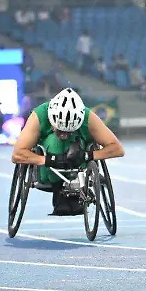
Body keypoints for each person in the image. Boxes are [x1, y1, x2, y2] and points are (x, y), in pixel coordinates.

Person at [11, 88, 124, 216]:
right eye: (60, 130)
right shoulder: (39, 115)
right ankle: (58, 192)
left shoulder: (88, 117)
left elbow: (117, 149)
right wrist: (49, 160)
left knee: (73, 143)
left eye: (69, 131)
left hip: (79, 156)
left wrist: (88, 155)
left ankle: (77, 188)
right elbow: (17, 154)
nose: (64, 135)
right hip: (47, 167)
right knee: (55, 141)